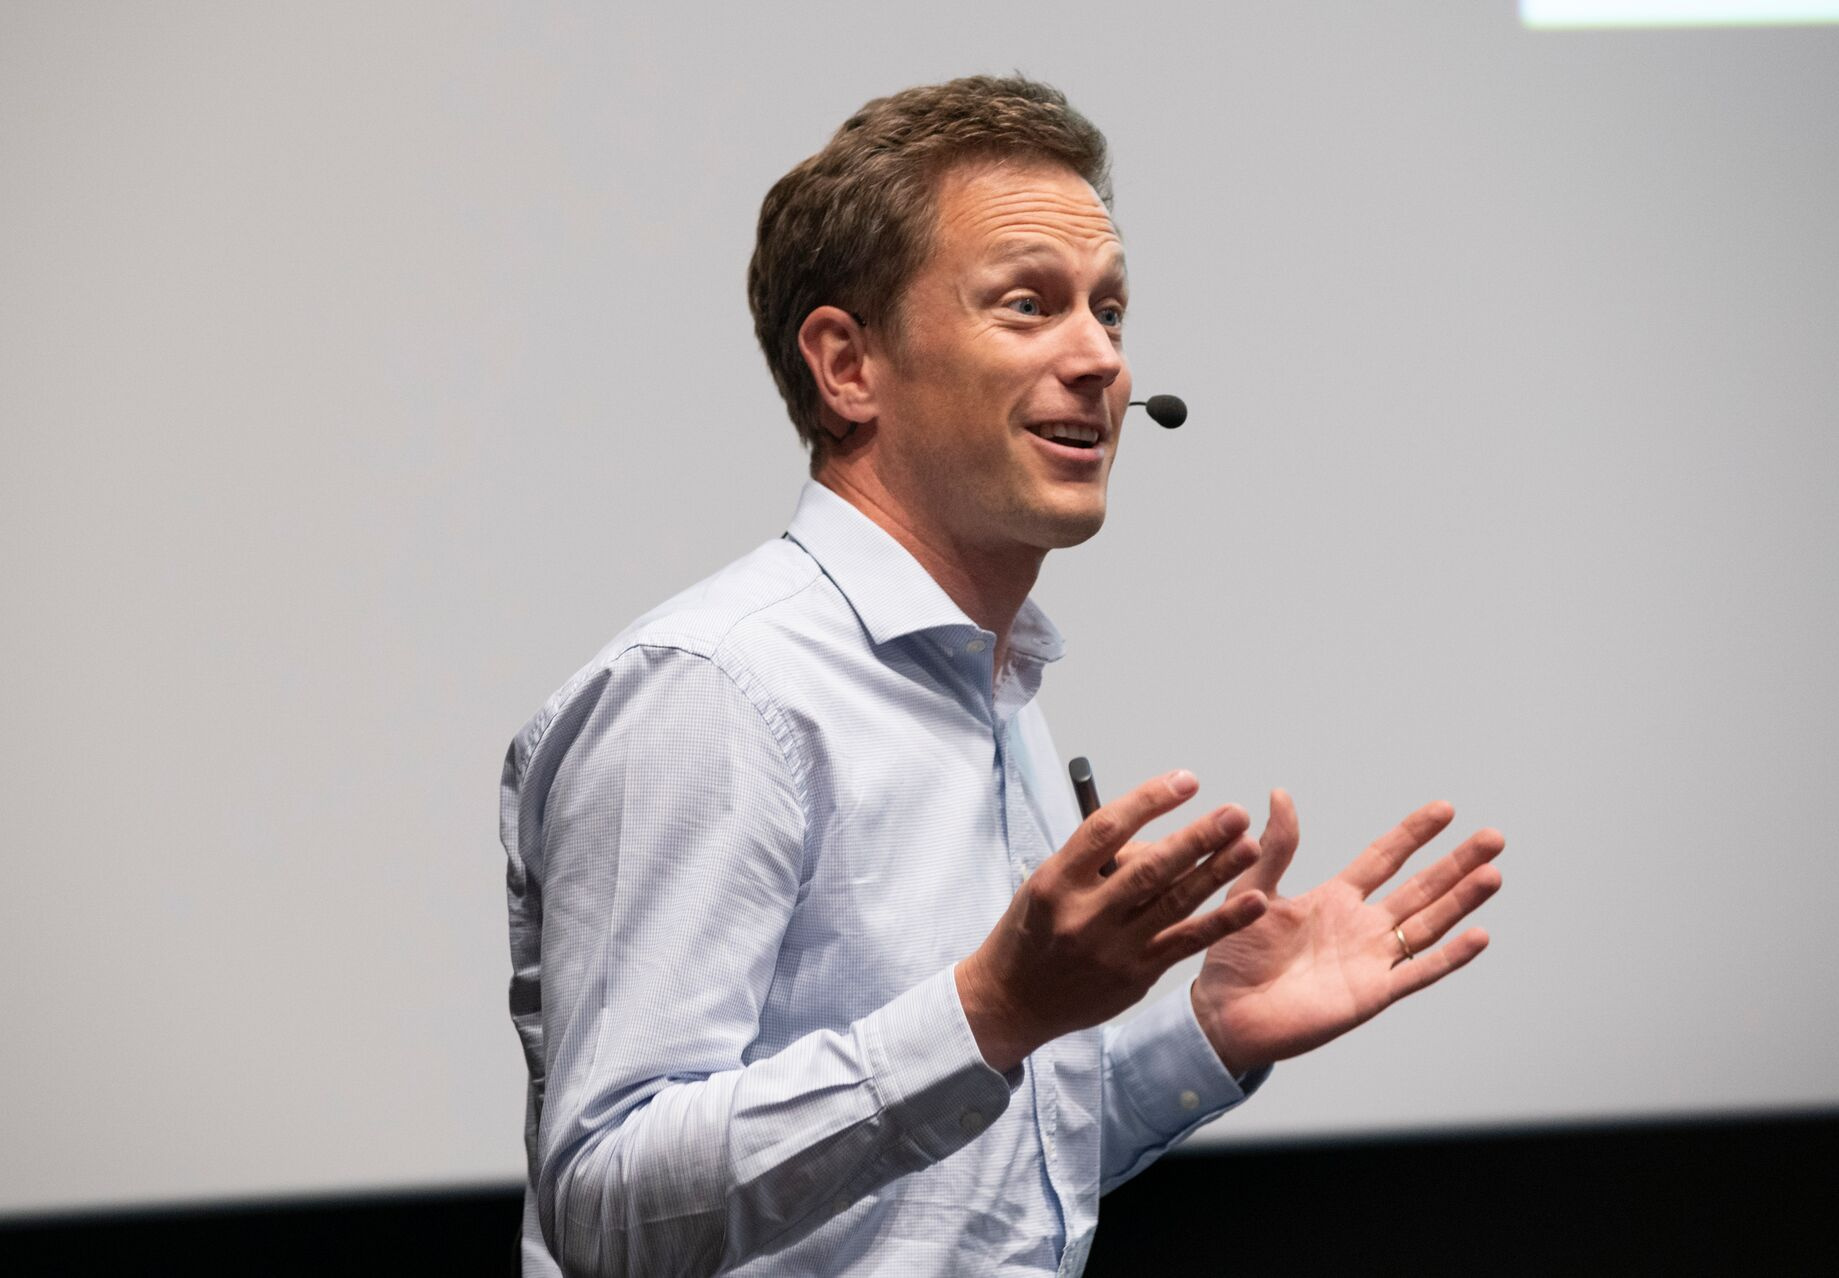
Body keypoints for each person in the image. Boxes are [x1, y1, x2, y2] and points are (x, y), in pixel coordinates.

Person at [498, 74, 1504, 1278]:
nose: (1101, 360)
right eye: (1029, 305)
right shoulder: (715, 690)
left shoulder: (994, 685)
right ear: (848, 366)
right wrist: (990, 1011)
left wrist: (1207, 1033)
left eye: (1111, 311)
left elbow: (948, 1203)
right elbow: (606, 1209)